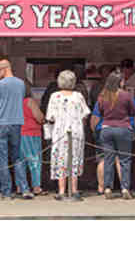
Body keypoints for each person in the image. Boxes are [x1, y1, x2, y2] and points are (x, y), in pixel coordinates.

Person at [0, 59, 33, 200]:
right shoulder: (21, 84)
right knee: (17, 157)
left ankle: (6, 192)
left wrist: (2, 105)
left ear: (4, 69)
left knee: (2, 159)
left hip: (1, 123)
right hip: (17, 122)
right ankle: (24, 189)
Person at [44, 70, 91, 201]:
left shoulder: (55, 96)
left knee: (60, 158)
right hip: (76, 131)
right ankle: (74, 190)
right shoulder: (78, 96)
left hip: (60, 131)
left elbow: (50, 117)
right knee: (74, 158)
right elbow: (85, 114)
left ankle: (61, 191)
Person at [91, 71, 135, 199]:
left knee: (108, 159)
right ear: (120, 82)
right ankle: (125, 188)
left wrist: (95, 130)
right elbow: (133, 112)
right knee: (124, 160)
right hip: (123, 128)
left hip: (106, 129)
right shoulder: (126, 95)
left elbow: (98, 114)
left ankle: (107, 188)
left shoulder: (102, 96)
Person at [19, 80, 47, 196]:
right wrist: (44, 119)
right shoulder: (30, 101)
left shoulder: (15, 102)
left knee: (20, 162)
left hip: (19, 133)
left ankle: (20, 187)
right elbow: (39, 117)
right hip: (32, 133)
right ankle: (36, 187)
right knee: (35, 161)